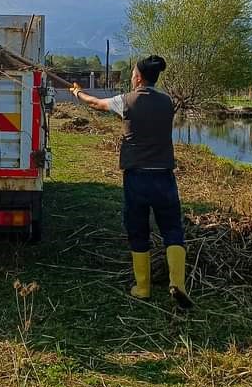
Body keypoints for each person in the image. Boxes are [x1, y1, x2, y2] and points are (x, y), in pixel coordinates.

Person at [71, 55, 193, 310]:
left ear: (138, 77)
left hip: (136, 176)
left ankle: (143, 287)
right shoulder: (167, 102)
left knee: (138, 229)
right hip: (164, 176)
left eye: (132, 73)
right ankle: (178, 284)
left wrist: (78, 93)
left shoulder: (125, 101)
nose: (130, 76)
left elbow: (95, 103)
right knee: (172, 229)